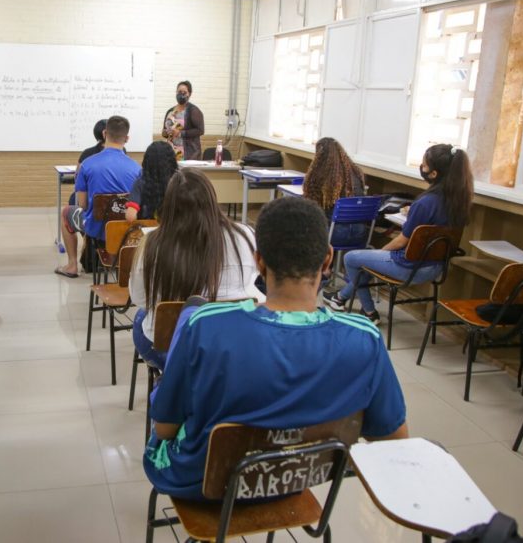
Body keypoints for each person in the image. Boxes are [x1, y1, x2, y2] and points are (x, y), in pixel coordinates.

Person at [144, 196, 409, 500]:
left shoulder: (205, 326)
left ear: (259, 262)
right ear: (327, 260)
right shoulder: (365, 340)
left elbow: (164, 428)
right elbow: (394, 440)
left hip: (204, 485)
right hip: (296, 481)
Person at [324, 143, 473, 324]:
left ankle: (369, 312)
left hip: (409, 268)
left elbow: (402, 241)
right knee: (368, 263)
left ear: (434, 174)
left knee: (352, 258)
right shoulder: (460, 202)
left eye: (425, 165)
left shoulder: (425, 203)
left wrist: (379, 253)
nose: (422, 168)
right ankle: (340, 297)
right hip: (436, 268)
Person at [129, 168, 262, 369]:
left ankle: (174, 382)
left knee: (141, 316)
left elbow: (139, 298)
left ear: (170, 204)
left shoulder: (152, 243)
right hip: (228, 345)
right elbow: (254, 278)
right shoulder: (244, 235)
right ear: (212, 200)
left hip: (168, 347)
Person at [55, 115, 140, 278]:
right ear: (127, 138)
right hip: (126, 228)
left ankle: (72, 265)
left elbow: (82, 204)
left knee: (66, 212)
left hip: (96, 227)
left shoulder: (87, 164)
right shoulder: (136, 168)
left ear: (105, 133)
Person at [303, 136, 368, 246]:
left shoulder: (319, 175)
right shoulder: (356, 172)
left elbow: (312, 207)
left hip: (334, 233)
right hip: (360, 233)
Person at [125, 140, 178, 221]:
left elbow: (130, 217)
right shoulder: (177, 182)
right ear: (172, 161)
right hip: (172, 230)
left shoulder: (140, 183)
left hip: (147, 230)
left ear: (146, 160)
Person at [161, 80, 204, 161]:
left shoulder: (193, 111)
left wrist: (180, 133)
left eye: (184, 92)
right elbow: (164, 132)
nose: (181, 94)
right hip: (171, 154)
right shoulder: (170, 111)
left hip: (189, 155)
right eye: (179, 91)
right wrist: (166, 132)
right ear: (176, 92)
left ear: (190, 94)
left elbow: (200, 130)